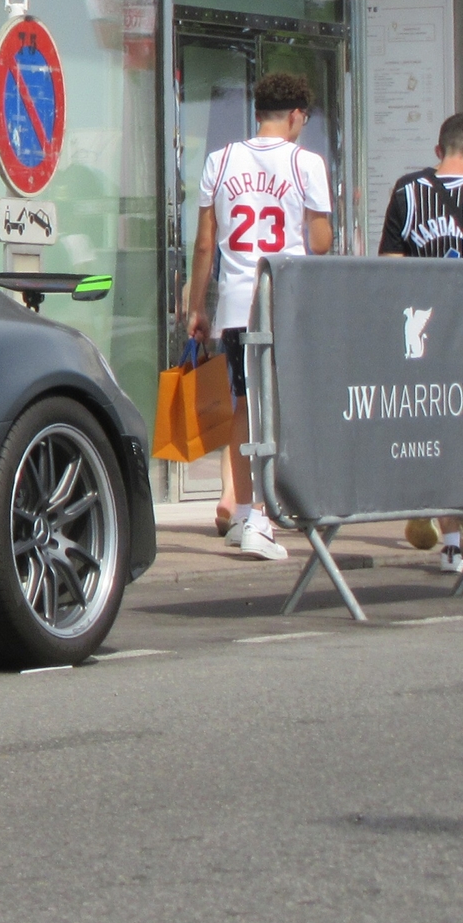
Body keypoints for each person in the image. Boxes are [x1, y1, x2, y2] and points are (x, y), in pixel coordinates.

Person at [180, 71, 334, 560]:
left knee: (244, 407)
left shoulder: (220, 160)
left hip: (235, 303)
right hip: (283, 300)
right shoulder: (306, 163)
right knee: (282, 406)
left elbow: (205, 242)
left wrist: (196, 305)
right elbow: (321, 241)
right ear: (295, 117)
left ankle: (247, 511)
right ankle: (277, 510)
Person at [379, 109, 463, 572]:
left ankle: (445, 529)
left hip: (417, 334)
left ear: (439, 150)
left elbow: (389, 266)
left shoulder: (407, 192)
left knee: (427, 426)